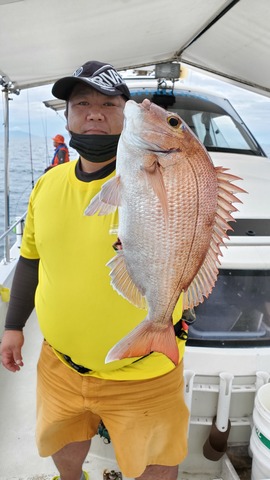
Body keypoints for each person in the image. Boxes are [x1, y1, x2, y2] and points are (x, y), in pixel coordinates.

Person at [0, 61, 189, 480]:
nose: (95, 112)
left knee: (156, 462)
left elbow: (193, 220)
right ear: (67, 117)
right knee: (62, 442)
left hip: (146, 371)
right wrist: (14, 326)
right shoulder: (48, 185)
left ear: (126, 114)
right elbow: (30, 258)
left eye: (109, 103)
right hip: (60, 364)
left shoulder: (164, 179)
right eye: (81, 103)